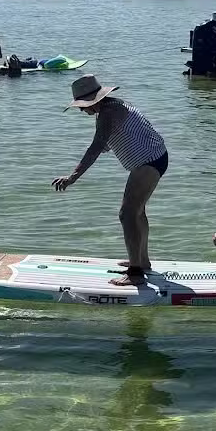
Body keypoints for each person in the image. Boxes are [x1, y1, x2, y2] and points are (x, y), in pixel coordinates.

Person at [52, 75, 168, 286]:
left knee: (127, 214)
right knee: (137, 212)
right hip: (156, 157)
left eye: (82, 105)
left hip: (149, 161)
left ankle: (135, 274)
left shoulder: (108, 112)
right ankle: (142, 261)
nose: (81, 110)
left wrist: (73, 177)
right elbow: (109, 141)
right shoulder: (113, 107)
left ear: (94, 100)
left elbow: (96, 147)